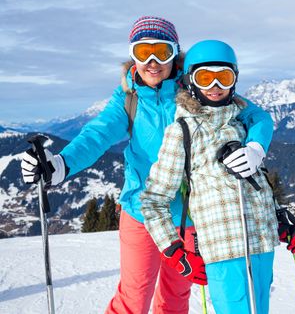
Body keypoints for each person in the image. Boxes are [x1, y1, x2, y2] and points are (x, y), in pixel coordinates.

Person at [20, 16, 274, 314]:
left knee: (175, 300)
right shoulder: (128, 100)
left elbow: (256, 116)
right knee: (133, 299)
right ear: (132, 57)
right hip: (141, 213)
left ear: (175, 54)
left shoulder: (197, 87)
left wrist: (255, 147)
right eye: (143, 52)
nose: (152, 62)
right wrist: (61, 164)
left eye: (162, 51)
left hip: (188, 219)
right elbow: (97, 135)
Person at [140, 40, 295, 314]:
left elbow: (255, 183)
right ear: (191, 81)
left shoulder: (241, 124)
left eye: (223, 77)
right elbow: (154, 200)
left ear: (234, 80)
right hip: (222, 248)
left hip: (261, 243)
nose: (215, 86)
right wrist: (173, 250)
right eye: (206, 77)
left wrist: (277, 220)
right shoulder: (182, 132)